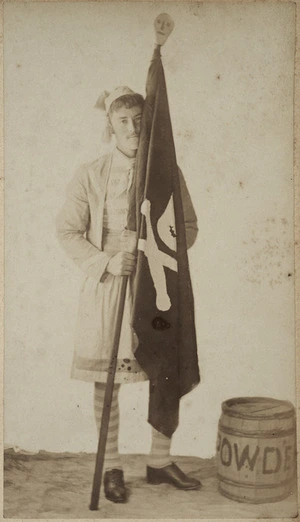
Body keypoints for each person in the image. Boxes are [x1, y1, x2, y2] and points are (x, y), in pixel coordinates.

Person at [56, 86, 201, 503]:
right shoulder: (91, 173)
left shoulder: (167, 173)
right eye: (123, 120)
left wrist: (157, 252)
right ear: (110, 125)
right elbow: (67, 231)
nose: (133, 128)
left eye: (139, 119)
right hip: (110, 287)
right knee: (107, 379)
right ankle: (113, 467)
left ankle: (159, 461)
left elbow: (188, 226)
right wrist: (106, 260)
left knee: (165, 370)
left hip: (156, 287)